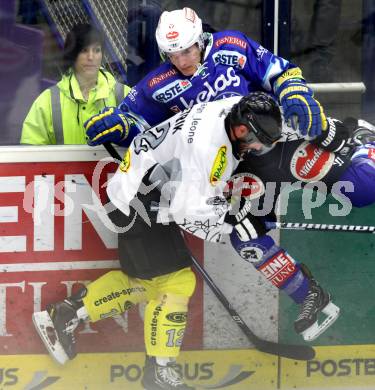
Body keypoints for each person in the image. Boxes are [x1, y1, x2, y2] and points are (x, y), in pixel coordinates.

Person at [84, 7, 328, 149]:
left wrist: (295, 93)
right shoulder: (157, 84)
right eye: (172, 55)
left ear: (200, 40)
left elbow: (280, 73)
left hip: (269, 139)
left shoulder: (232, 45)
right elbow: (138, 123)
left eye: (187, 51)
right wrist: (121, 127)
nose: (181, 62)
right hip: (216, 164)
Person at [20, 23, 131, 145]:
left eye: (97, 50)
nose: (91, 57)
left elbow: (144, 141)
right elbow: (31, 155)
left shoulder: (125, 95)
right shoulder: (48, 101)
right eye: (84, 50)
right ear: (72, 55)